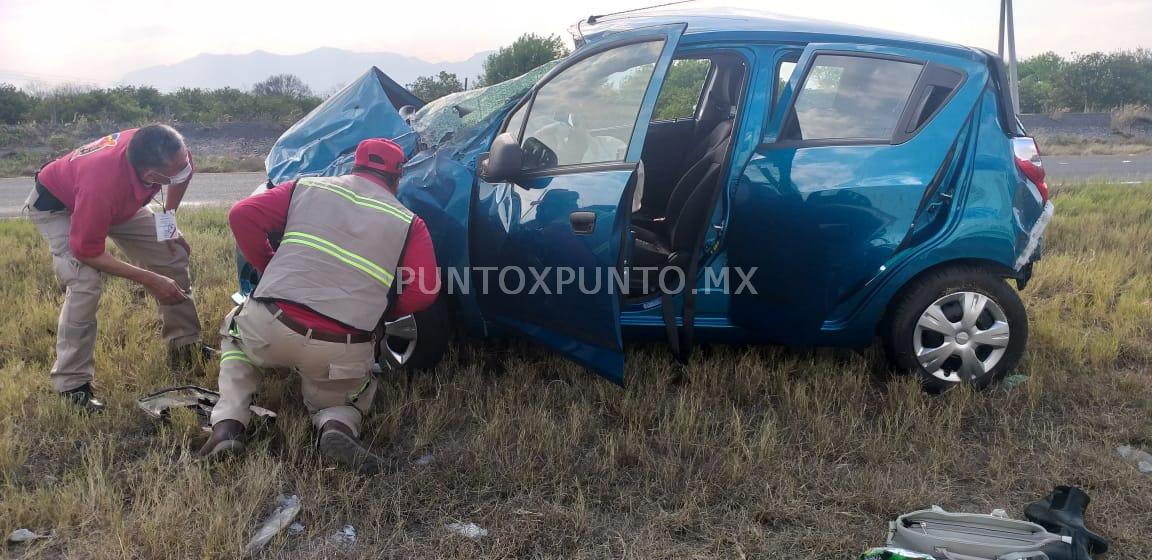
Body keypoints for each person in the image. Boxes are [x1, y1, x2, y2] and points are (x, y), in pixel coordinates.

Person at [200, 138, 438, 474]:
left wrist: (267, 265)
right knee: (349, 393)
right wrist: (384, 314)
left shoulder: (307, 187)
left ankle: (228, 424)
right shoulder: (409, 222)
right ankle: (336, 424)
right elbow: (426, 291)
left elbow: (242, 214)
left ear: (353, 165)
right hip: (340, 349)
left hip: (272, 327)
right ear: (397, 179)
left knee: (235, 337)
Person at [25, 124, 205, 412]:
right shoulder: (102, 184)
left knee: (170, 255)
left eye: (185, 161)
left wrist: (168, 222)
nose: (186, 166)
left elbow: (183, 173)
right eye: (178, 168)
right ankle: (71, 385)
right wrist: (149, 279)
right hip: (59, 206)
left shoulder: (169, 149)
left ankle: (184, 347)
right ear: (151, 177)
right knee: (85, 283)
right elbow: (89, 252)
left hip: (119, 203)